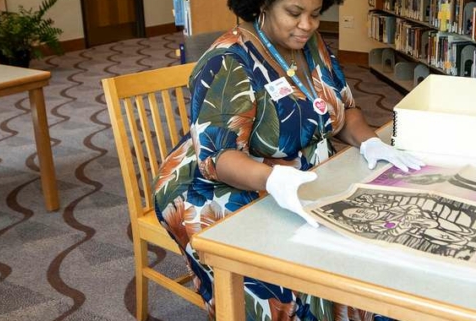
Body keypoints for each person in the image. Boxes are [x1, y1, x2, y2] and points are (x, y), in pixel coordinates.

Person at [151, 0, 423, 319]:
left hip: (297, 176)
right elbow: (218, 157)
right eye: (294, 13)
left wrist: (371, 143)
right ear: (261, 5)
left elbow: (344, 109)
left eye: (315, 14)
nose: (308, 25)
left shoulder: (311, 45)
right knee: (284, 287)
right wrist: (272, 179)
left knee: (359, 257)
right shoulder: (227, 60)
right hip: (222, 190)